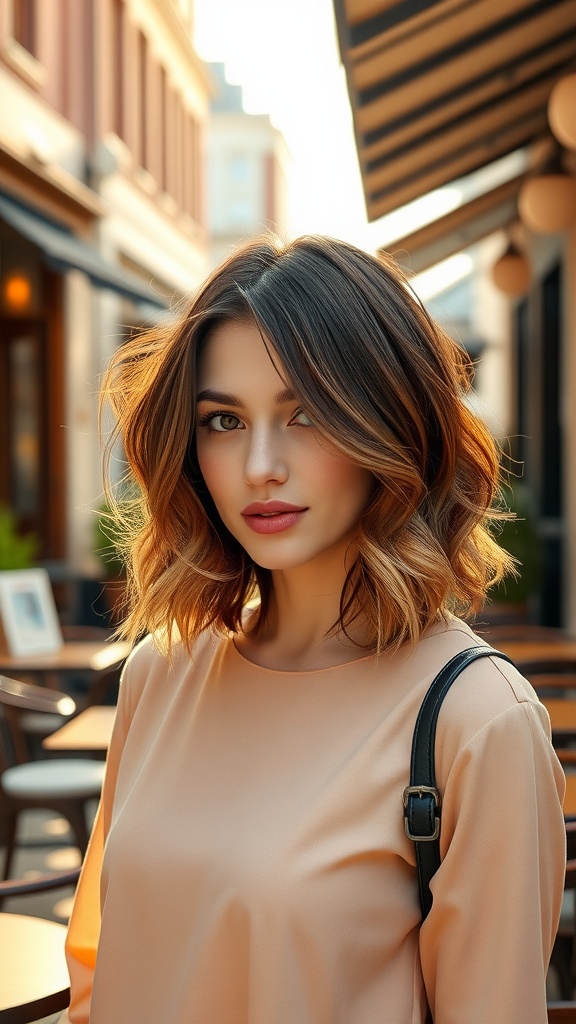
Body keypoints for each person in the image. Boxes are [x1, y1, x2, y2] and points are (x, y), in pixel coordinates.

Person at [61, 235, 566, 1024]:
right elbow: (99, 966)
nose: (260, 464)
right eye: (223, 420)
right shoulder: (159, 674)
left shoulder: (477, 722)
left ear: (392, 426)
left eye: (306, 414)